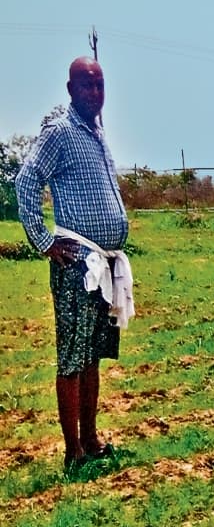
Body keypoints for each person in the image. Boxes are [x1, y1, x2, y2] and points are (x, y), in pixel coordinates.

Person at [16, 57, 134, 473]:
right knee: (71, 359)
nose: (95, 93)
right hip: (77, 265)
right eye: (87, 86)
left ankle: (91, 438)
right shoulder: (61, 132)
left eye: (100, 85)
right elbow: (26, 181)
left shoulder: (96, 133)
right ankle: (73, 452)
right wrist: (45, 241)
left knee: (92, 357)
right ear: (70, 90)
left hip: (103, 265)